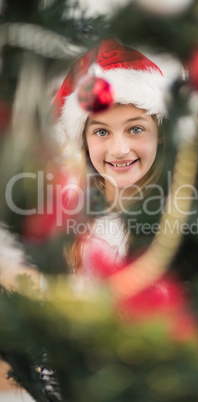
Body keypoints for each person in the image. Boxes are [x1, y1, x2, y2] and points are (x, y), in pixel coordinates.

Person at [53, 38, 168, 281]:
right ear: (83, 141)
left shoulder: (178, 226)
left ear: (160, 134)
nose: (119, 149)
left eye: (135, 129)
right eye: (102, 132)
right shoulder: (65, 230)